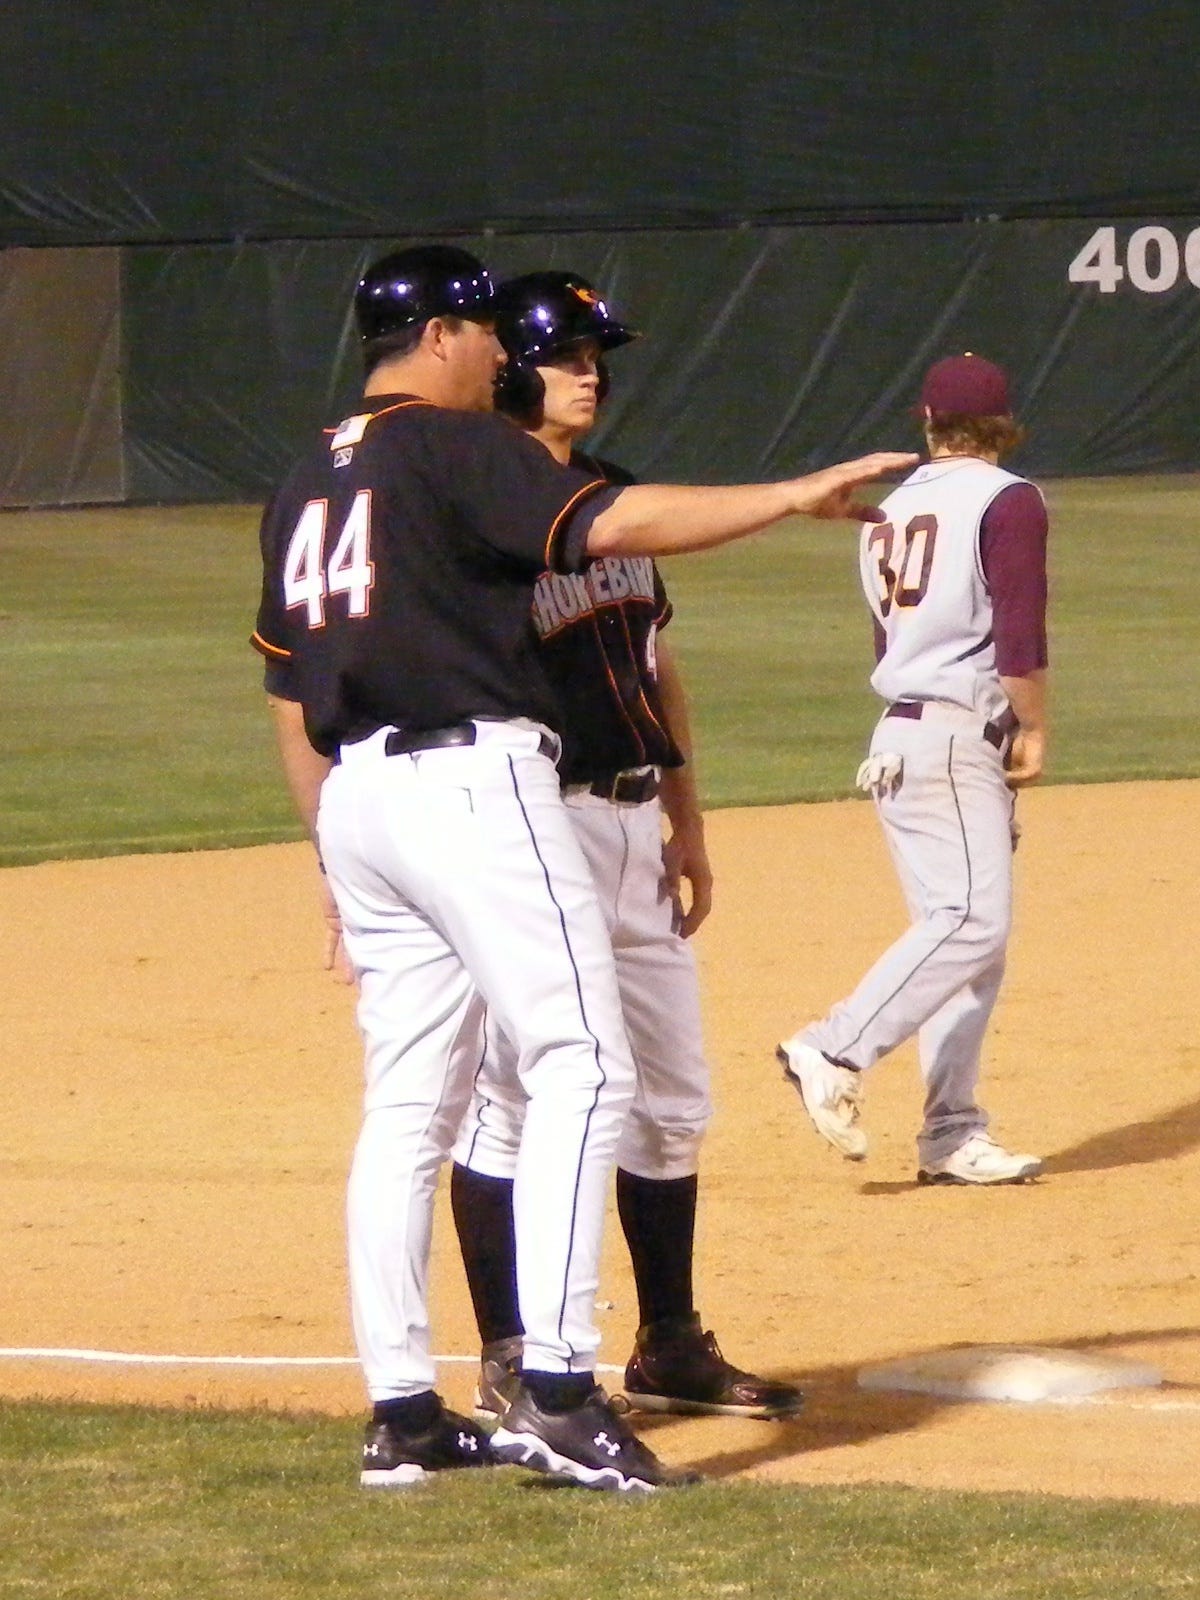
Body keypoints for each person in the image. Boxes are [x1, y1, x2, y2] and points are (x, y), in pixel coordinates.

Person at [252, 241, 914, 1492]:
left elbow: (288, 692)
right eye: (489, 334)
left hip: (361, 801)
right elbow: (619, 519)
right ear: (442, 335)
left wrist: (333, 870)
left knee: (408, 1111)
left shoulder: (307, 475)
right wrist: (792, 492)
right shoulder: (453, 445)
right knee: (586, 1065)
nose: (506, 353)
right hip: (471, 779)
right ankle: (557, 1385)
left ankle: (403, 1411)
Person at [449, 270, 802, 1423]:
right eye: (567, 354)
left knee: (671, 1095)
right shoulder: (472, 503)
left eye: (599, 355)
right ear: (508, 366)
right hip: (528, 825)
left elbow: (655, 662)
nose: (590, 372)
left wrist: (687, 814)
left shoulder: (613, 494)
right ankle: (510, 1352)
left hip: (632, 818)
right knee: (517, 1092)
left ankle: (669, 1340)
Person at [776, 353, 1048, 1186]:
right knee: (970, 923)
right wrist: (1032, 725)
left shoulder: (888, 513)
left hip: (899, 736)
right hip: (958, 735)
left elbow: (884, 643)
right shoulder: (1009, 499)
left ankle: (951, 1132)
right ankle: (833, 1046)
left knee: (969, 939)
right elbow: (1019, 632)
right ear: (1005, 424)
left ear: (926, 422)